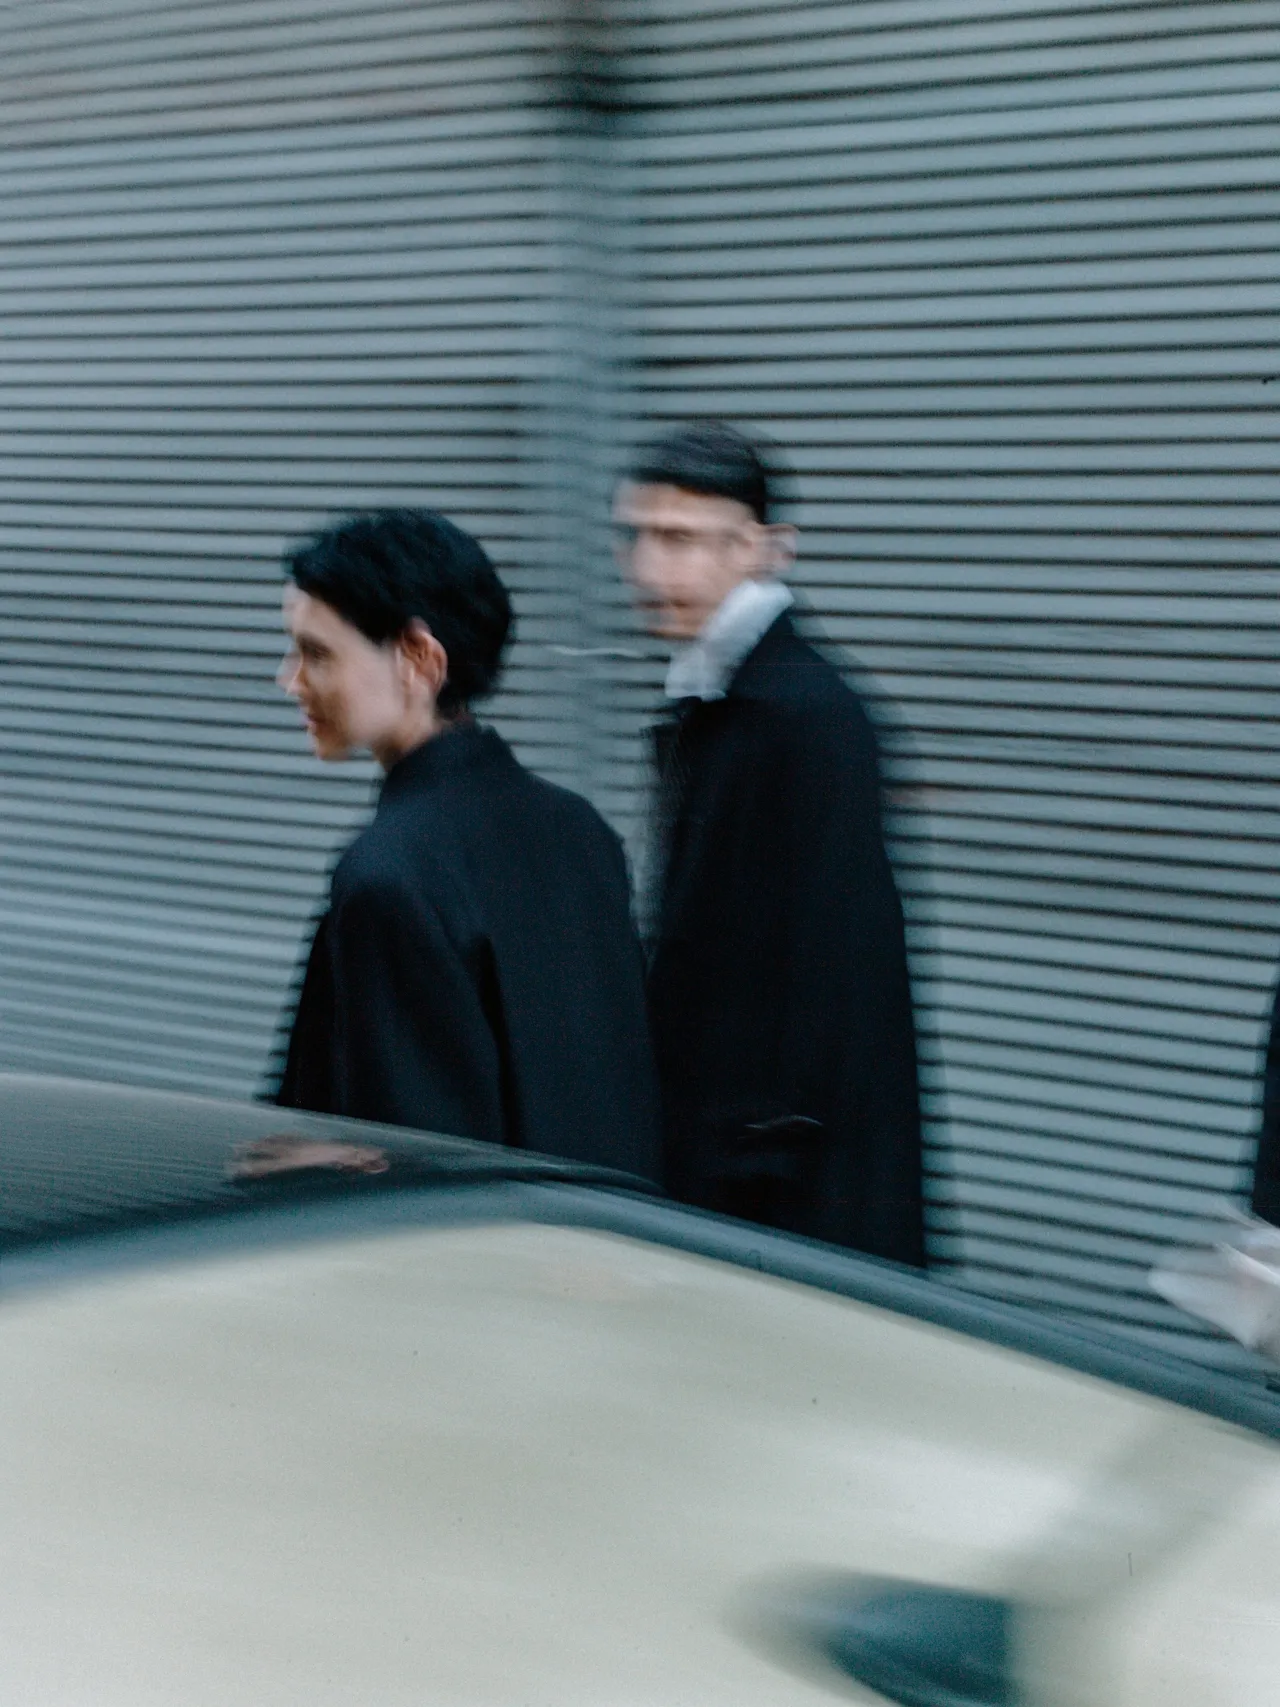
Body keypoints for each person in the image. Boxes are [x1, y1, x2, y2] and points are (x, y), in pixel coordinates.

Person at [271, 507, 659, 1181]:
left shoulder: (390, 873)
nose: (291, 679)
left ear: (420, 658)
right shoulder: (580, 829)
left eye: (317, 653)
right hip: (611, 1246)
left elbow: (414, 1165)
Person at [616, 421, 925, 1264]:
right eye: (635, 536)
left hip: (777, 1195)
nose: (648, 568)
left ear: (764, 548)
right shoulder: (730, 698)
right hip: (740, 1176)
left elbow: (832, 989)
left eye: (679, 539)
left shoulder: (801, 714)